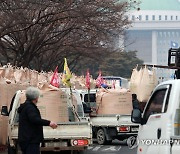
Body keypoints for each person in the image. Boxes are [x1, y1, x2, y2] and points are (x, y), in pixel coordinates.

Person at [18, 87, 57, 154]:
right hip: (31, 140)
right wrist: (49, 123)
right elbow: (35, 119)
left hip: (26, 139)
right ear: (36, 98)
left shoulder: (25, 107)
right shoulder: (30, 108)